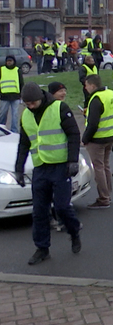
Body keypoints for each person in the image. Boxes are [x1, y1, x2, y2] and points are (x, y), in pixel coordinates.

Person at [15, 83, 82, 265]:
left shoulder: (59, 108)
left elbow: (73, 135)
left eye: (33, 103)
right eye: (26, 103)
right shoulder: (26, 115)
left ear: (41, 98)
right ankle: (42, 248)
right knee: (39, 212)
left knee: (61, 207)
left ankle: (74, 231)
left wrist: (72, 160)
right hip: (41, 168)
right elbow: (23, 144)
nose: (30, 106)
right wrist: (19, 169)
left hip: (60, 167)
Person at [82, 74, 113, 209]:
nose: (85, 88)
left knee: (98, 168)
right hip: (110, 135)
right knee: (106, 166)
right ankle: (108, 193)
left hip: (98, 138)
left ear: (92, 85)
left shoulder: (95, 99)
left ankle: (103, 198)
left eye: (86, 85)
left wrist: (85, 139)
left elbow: (93, 124)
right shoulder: (109, 93)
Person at [0, 55, 24, 133]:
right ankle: (1, 129)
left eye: (11, 61)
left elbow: (21, 83)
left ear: (14, 61)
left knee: (15, 115)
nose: (9, 62)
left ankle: (14, 131)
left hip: (15, 96)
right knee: (2, 115)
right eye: (8, 61)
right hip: (4, 96)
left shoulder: (17, 70)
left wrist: (22, 94)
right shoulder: (1, 70)